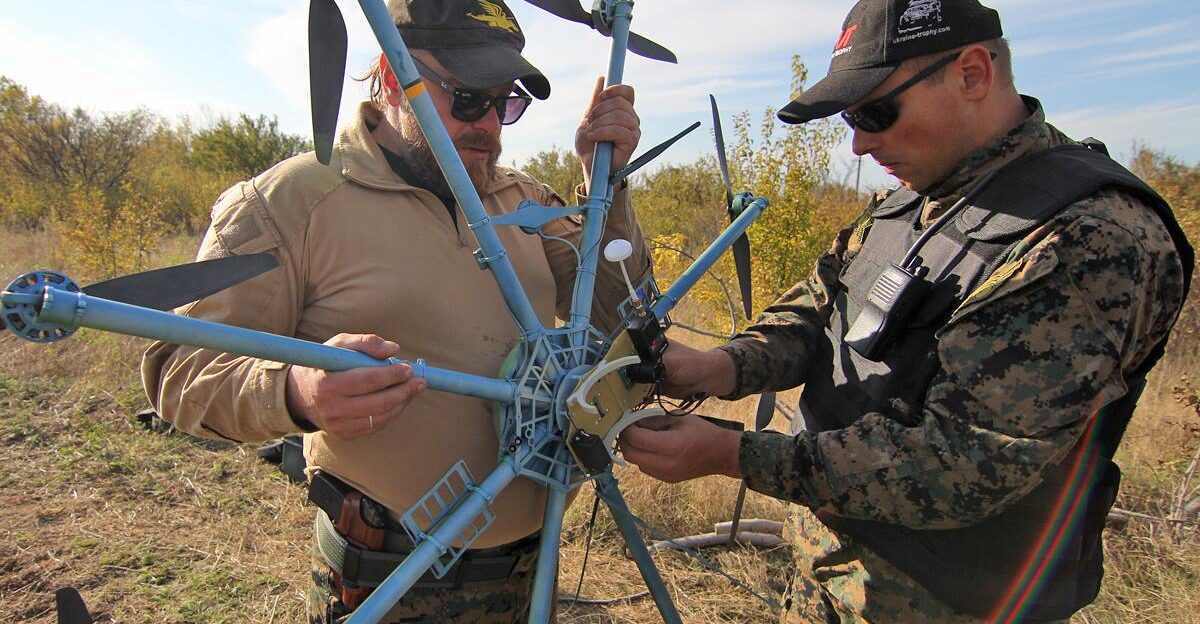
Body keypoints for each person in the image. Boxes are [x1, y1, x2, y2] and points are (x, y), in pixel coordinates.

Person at [618, 0, 1192, 622]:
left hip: (950, 599)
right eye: (850, 119)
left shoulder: (1088, 235)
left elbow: (964, 461)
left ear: (973, 74)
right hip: (828, 573)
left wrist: (731, 455)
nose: (860, 144)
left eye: (875, 113)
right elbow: (820, 310)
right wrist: (721, 367)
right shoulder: (910, 202)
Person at [141, 0, 651, 621]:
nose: (489, 126)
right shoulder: (288, 204)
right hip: (384, 580)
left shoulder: (526, 201)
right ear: (390, 76)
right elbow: (182, 373)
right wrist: (296, 391)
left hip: (531, 571)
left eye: (506, 103)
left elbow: (617, 319)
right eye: (468, 99)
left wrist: (607, 185)